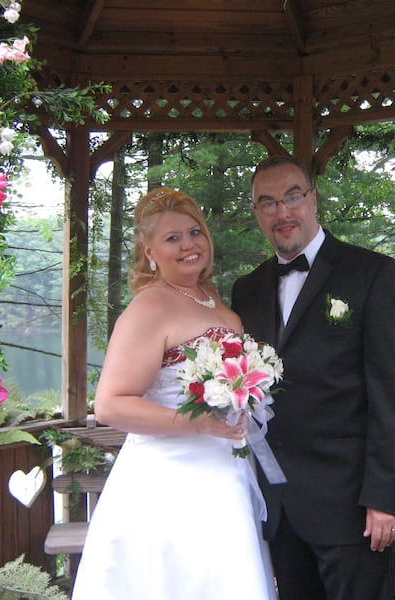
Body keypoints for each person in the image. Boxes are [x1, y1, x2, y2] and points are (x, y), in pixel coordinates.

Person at [231, 156, 395, 600]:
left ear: (313, 199)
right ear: (257, 213)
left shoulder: (373, 274)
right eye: (268, 203)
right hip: (278, 506)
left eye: (292, 197)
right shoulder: (247, 289)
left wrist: (387, 498)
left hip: (353, 508)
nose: (283, 212)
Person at [72, 187, 276, 600]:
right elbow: (109, 405)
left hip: (226, 471)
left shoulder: (213, 299)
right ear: (149, 252)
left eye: (195, 232)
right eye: (172, 238)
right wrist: (197, 424)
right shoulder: (149, 307)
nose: (189, 245)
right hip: (170, 482)